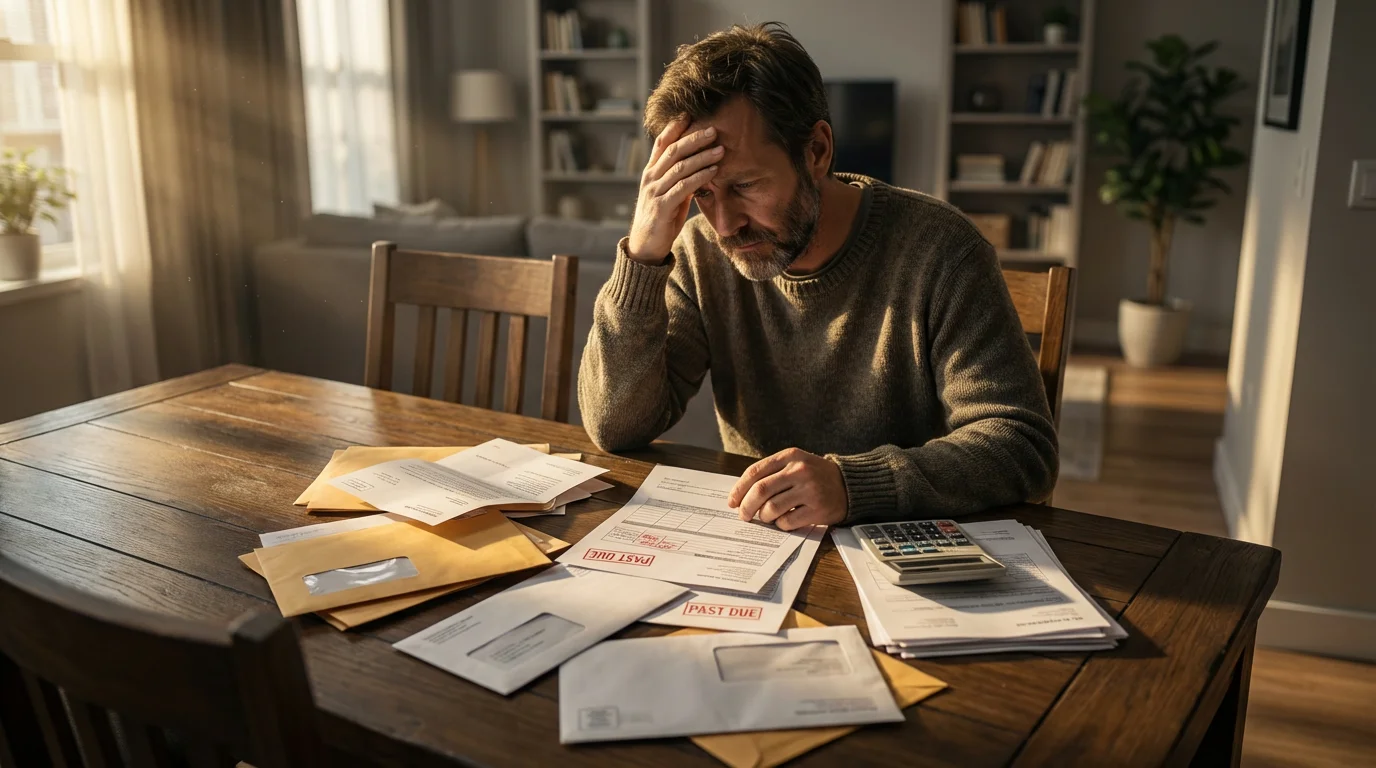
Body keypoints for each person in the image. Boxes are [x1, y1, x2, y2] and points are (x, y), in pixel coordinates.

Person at [578, 22, 1058, 530]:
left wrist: (853, 484)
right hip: (760, 547)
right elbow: (616, 427)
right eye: (702, 193)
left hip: (910, 553)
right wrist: (644, 255)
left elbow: (1022, 445)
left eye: (745, 185)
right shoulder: (698, 253)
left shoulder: (942, 250)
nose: (725, 226)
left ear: (817, 152)